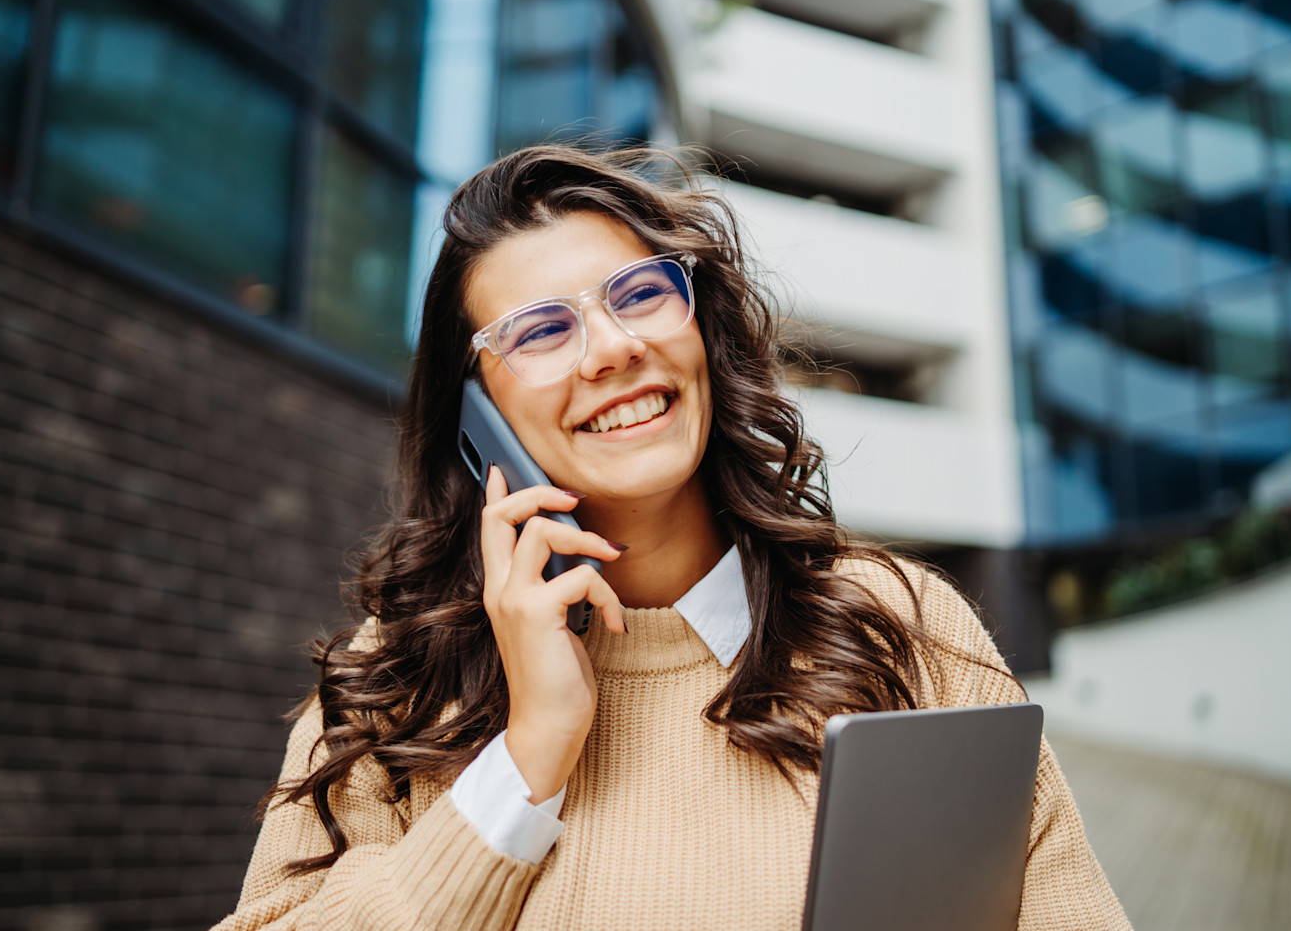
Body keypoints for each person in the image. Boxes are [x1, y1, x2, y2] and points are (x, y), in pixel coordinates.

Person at [211, 145, 1131, 931]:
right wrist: (528, 757)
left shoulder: (899, 622)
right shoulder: (393, 682)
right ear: (477, 415)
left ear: (702, 327)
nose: (613, 347)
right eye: (540, 331)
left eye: (640, 293)